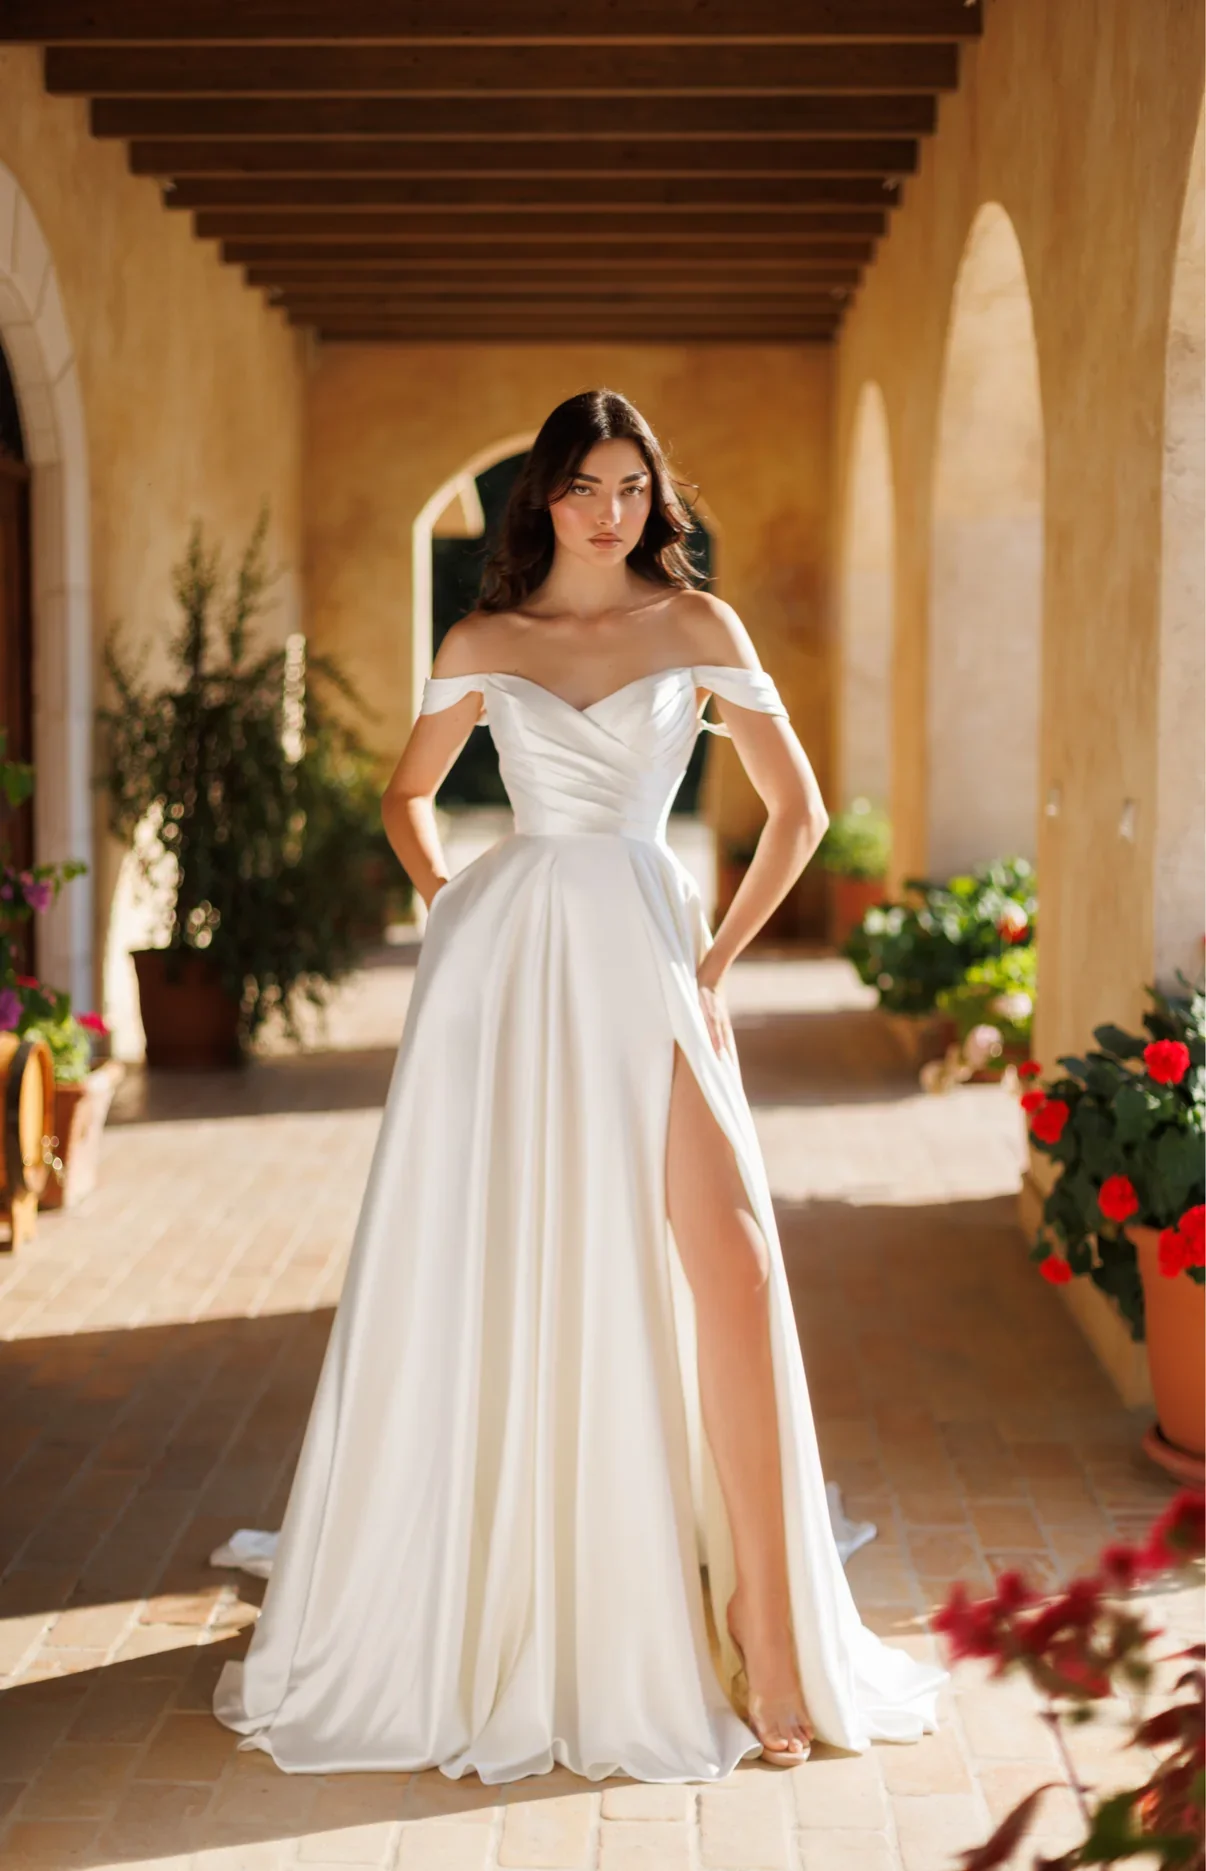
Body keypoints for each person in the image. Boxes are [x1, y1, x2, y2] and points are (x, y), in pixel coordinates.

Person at [211, 388, 945, 1783]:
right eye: (583, 486)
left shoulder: (697, 625)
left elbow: (794, 810)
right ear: (538, 498)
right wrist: (452, 911)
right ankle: (520, 1569)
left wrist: (718, 964)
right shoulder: (486, 637)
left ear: (652, 497)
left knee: (728, 1263)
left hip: (648, 947)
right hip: (513, 964)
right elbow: (404, 795)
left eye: (630, 486)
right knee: (523, 1257)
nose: (611, 511)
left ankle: (766, 1622)